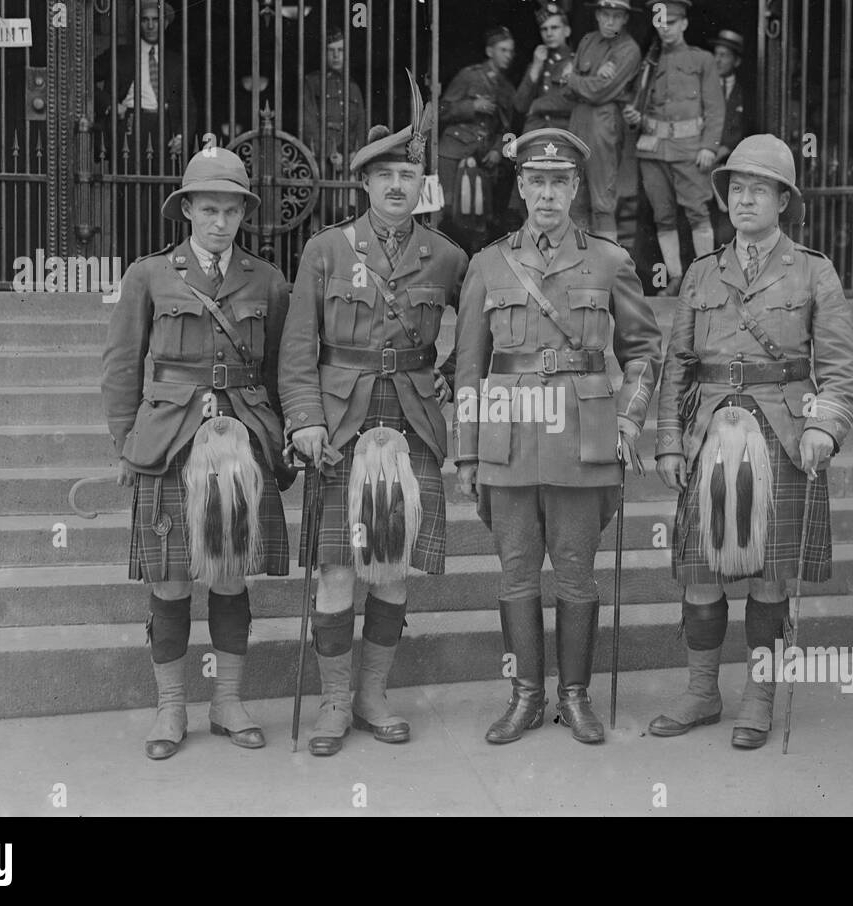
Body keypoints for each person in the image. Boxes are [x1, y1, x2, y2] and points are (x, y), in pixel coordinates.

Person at [649, 134, 853, 749]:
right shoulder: (699, 272)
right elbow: (678, 365)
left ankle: (759, 695)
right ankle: (701, 692)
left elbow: (844, 369)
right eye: (736, 189)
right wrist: (668, 440)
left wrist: (825, 425)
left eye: (758, 190)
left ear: (782, 200)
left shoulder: (814, 271)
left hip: (784, 432)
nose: (744, 200)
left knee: (770, 579)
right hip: (709, 433)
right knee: (700, 573)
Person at [453, 128, 662, 746]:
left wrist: (628, 418)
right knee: (516, 574)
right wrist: (467, 448)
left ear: (575, 188)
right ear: (519, 187)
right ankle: (525, 697)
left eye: (559, 182)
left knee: (575, 574)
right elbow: (469, 365)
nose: (547, 194)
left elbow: (646, 353)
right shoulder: (488, 263)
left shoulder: (610, 261)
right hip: (509, 437)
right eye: (536, 181)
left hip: (583, 437)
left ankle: (574, 696)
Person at [280, 82, 469, 757]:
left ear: (423, 182)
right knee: (337, 570)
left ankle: (372, 695)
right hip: (341, 423)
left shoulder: (446, 257)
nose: (396, 185)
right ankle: (334, 701)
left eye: (407, 174)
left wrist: (453, 374)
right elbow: (299, 347)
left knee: (391, 568)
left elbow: (473, 338)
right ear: (362, 183)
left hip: (411, 420)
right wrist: (302, 421)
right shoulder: (326, 251)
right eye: (384, 175)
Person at [101, 145, 293, 760]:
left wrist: (282, 438)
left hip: (239, 443)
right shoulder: (148, 275)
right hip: (168, 444)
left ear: (244, 213)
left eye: (231, 211)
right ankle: (171, 708)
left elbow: (282, 369)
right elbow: (121, 368)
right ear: (186, 210)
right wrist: (128, 446)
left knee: (230, 574)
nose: (219, 222)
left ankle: (229, 702)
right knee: (171, 578)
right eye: (207, 209)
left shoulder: (267, 280)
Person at [623, 0, 724, 297]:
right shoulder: (649, 63)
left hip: (690, 149)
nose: (665, 29)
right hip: (653, 150)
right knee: (662, 216)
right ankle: (677, 278)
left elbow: (716, 109)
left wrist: (709, 146)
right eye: (660, 23)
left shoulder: (702, 60)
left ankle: (706, 278)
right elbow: (641, 105)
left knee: (697, 212)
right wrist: (636, 117)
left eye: (671, 22)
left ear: (684, 24)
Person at [93, 0, 198, 256]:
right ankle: (131, 261)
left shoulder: (175, 61)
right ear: (138, 23)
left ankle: (159, 259)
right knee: (128, 197)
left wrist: (183, 135)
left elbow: (189, 104)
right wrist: (110, 104)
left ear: (165, 23)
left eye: (155, 19)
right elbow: (83, 74)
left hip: (162, 127)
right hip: (129, 126)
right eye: (145, 19)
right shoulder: (121, 54)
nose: (150, 25)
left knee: (160, 196)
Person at [564, 0, 642, 241]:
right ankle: (579, 259)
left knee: (602, 201)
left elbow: (599, 92)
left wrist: (573, 79)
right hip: (578, 119)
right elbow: (566, 93)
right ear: (597, 14)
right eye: (605, 14)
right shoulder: (588, 41)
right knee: (574, 195)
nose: (610, 22)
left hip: (603, 124)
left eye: (616, 16)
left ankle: (607, 266)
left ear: (626, 18)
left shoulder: (628, 49)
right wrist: (589, 81)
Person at [437, 27, 517, 253]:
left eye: (511, 51)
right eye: (503, 50)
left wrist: (498, 150)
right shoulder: (468, 76)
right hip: (453, 151)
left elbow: (509, 128)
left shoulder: (507, 88)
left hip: (483, 157)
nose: (508, 55)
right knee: (448, 211)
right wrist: (471, 106)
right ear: (489, 51)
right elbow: (441, 109)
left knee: (478, 216)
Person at [300, 28, 367, 221]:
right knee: (321, 214)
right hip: (322, 163)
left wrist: (356, 153)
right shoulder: (312, 82)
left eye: (341, 50)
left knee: (349, 214)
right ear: (324, 53)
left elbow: (361, 124)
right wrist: (329, 152)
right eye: (331, 50)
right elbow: (309, 121)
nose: (337, 55)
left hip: (350, 164)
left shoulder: (353, 86)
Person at [710, 29, 756, 245]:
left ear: (736, 61)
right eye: (716, 54)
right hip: (702, 164)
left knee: (727, 222)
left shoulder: (746, 93)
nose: (717, 59)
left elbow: (748, 128)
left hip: (730, 164)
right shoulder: (702, 89)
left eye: (724, 55)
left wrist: (726, 149)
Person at [514, 2, 575, 133]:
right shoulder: (538, 62)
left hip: (564, 135)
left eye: (554, 28)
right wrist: (535, 68)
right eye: (544, 29)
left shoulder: (576, 63)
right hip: (535, 134)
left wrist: (537, 105)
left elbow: (573, 103)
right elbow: (520, 106)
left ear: (567, 31)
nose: (549, 33)